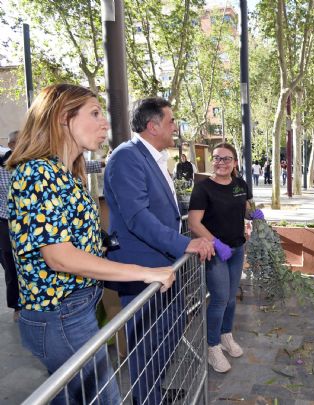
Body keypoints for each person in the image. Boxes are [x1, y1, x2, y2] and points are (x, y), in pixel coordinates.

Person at [6, 84, 176, 405]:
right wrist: (143, 271)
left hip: (75, 310)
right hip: (60, 317)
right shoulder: (38, 172)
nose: (105, 124)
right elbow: (60, 257)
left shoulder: (66, 173)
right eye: (95, 113)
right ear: (61, 117)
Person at [104, 97, 214, 405]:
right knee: (146, 342)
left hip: (164, 266)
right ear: (153, 127)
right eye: (171, 121)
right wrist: (184, 243)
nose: (175, 126)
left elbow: (162, 208)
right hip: (141, 269)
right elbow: (138, 218)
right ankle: (145, 397)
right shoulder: (127, 157)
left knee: (167, 334)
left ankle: (153, 390)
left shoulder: (152, 157)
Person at [188, 143, 263, 373]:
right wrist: (216, 244)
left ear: (234, 162)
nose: (221, 163)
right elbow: (194, 222)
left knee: (231, 298)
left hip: (238, 248)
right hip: (215, 252)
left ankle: (226, 335)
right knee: (220, 298)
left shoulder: (240, 185)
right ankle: (212, 347)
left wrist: (255, 214)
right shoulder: (203, 188)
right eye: (217, 158)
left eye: (226, 159)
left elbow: (247, 209)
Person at [0, 130, 18, 322]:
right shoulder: (1, 166)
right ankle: (16, 306)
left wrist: (102, 163)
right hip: (5, 223)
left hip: (27, 224)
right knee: (11, 267)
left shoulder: (31, 163)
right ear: (12, 144)